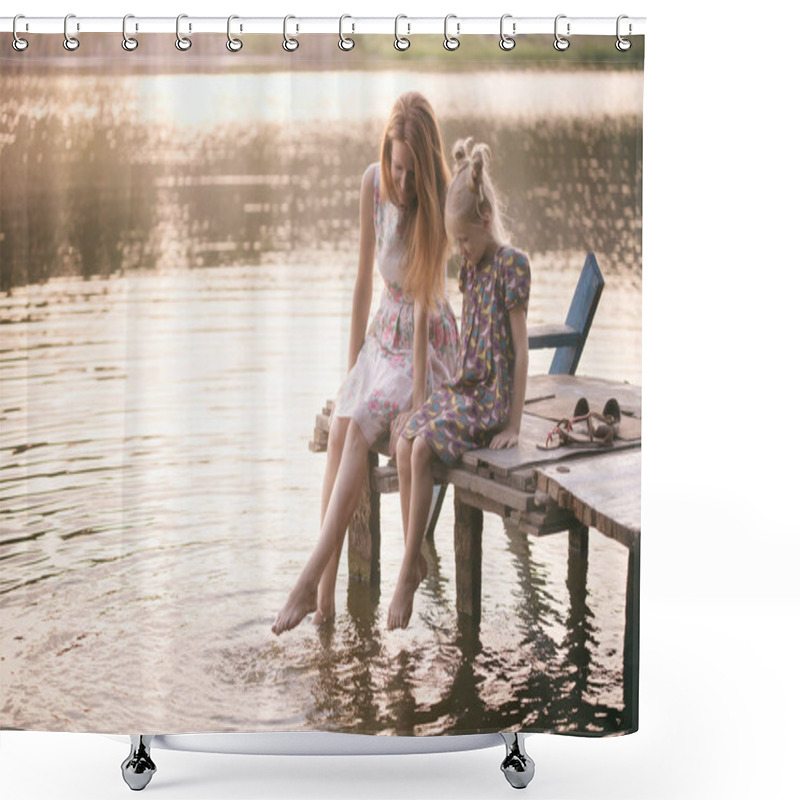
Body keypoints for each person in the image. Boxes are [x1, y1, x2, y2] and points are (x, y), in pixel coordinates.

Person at [272, 92, 459, 635]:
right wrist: (352, 371)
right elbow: (361, 283)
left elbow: (426, 306)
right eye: (397, 167)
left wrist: (421, 399)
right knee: (340, 429)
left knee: (356, 438)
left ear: (425, 166)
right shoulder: (372, 185)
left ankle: (307, 578)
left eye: (410, 171)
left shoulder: (439, 201)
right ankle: (325, 604)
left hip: (425, 346)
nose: (402, 181)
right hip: (382, 336)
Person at [388, 138, 531, 630]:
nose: (462, 253)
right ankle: (417, 556)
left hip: (489, 400)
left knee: (424, 447)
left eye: (465, 241)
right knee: (406, 438)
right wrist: (425, 399)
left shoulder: (512, 266)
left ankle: (408, 567)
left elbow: (521, 349)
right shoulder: (471, 268)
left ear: (487, 218)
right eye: (457, 244)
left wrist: (513, 421)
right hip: (466, 387)